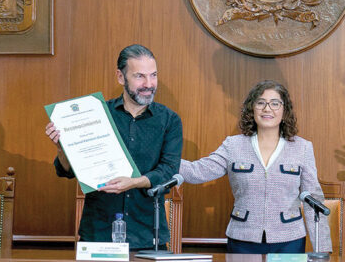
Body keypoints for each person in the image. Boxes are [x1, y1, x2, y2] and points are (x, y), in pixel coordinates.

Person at [46, 44, 183, 250]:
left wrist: (134, 182)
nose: (149, 84)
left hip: (146, 234)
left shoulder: (169, 120)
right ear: (121, 77)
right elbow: (66, 172)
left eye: (153, 75)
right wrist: (62, 148)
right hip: (98, 231)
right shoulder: (95, 114)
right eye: (139, 76)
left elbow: (169, 171)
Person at [180, 80, 332, 254]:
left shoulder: (302, 148)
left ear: (285, 110)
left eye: (275, 103)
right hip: (243, 239)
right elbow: (197, 172)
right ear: (252, 109)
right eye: (261, 103)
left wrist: (323, 248)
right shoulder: (233, 146)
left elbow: (313, 199)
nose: (267, 109)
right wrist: (160, 159)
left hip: (289, 240)